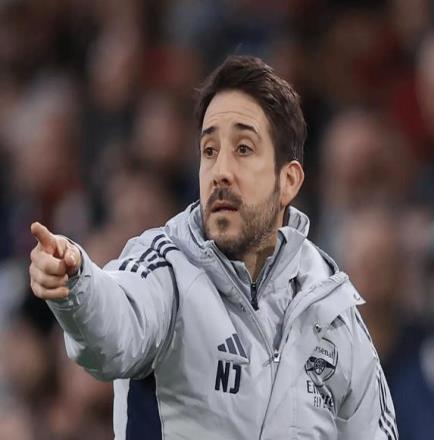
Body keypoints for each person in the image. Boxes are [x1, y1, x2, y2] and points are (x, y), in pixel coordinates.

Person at [29, 55, 398, 440]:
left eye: (243, 149)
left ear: (288, 181)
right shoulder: (166, 269)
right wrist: (78, 283)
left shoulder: (331, 306)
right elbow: (113, 329)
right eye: (209, 151)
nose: (221, 170)